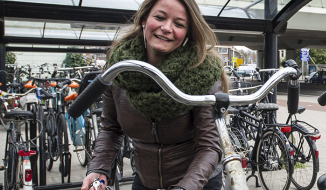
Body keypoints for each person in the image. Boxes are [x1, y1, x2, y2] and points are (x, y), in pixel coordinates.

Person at [80, 0, 228, 190]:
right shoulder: (119, 69)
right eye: (159, 17)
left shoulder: (201, 72)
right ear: (144, 20)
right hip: (145, 181)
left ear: (187, 32)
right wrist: (98, 169)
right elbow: (111, 128)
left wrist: (185, 187)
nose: (166, 28)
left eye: (179, 24)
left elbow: (209, 145)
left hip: (198, 182)